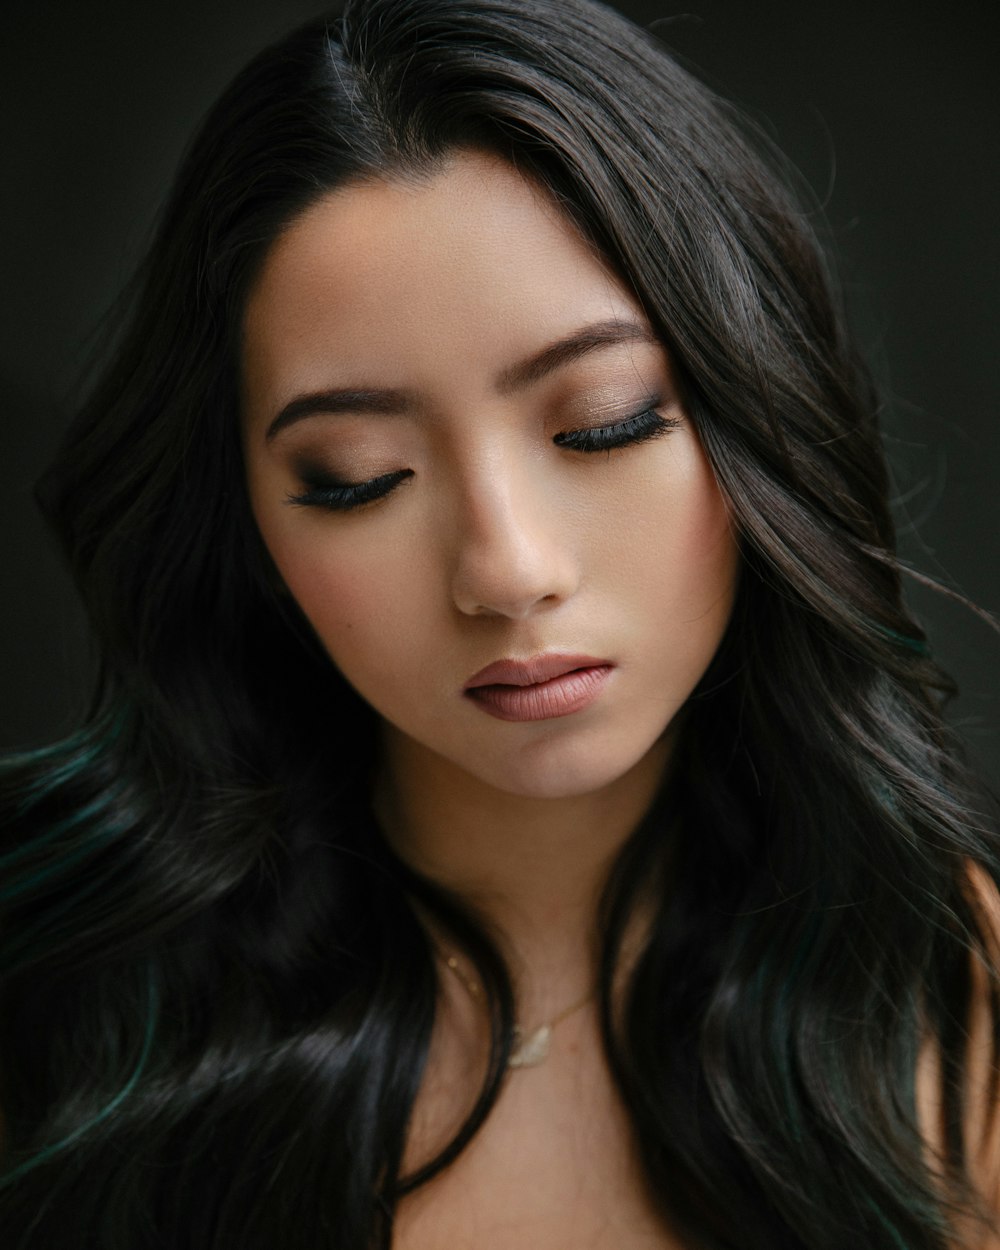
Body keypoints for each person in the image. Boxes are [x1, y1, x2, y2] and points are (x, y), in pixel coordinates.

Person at [1, 0, 997, 1246]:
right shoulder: (59, 984)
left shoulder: (946, 983)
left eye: (604, 422)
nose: (507, 570)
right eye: (356, 476)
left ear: (757, 414)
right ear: (247, 523)